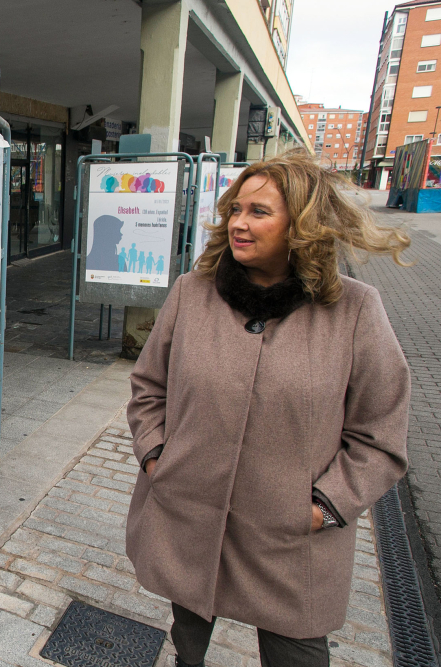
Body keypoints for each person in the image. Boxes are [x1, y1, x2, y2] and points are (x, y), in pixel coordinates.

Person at [126, 149, 411, 667]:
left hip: (289, 543)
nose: (239, 223)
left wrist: (324, 508)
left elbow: (379, 437)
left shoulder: (354, 310)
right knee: (187, 636)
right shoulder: (192, 293)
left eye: (259, 212)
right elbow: (149, 387)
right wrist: (156, 459)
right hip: (189, 517)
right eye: (236, 209)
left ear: (303, 224)